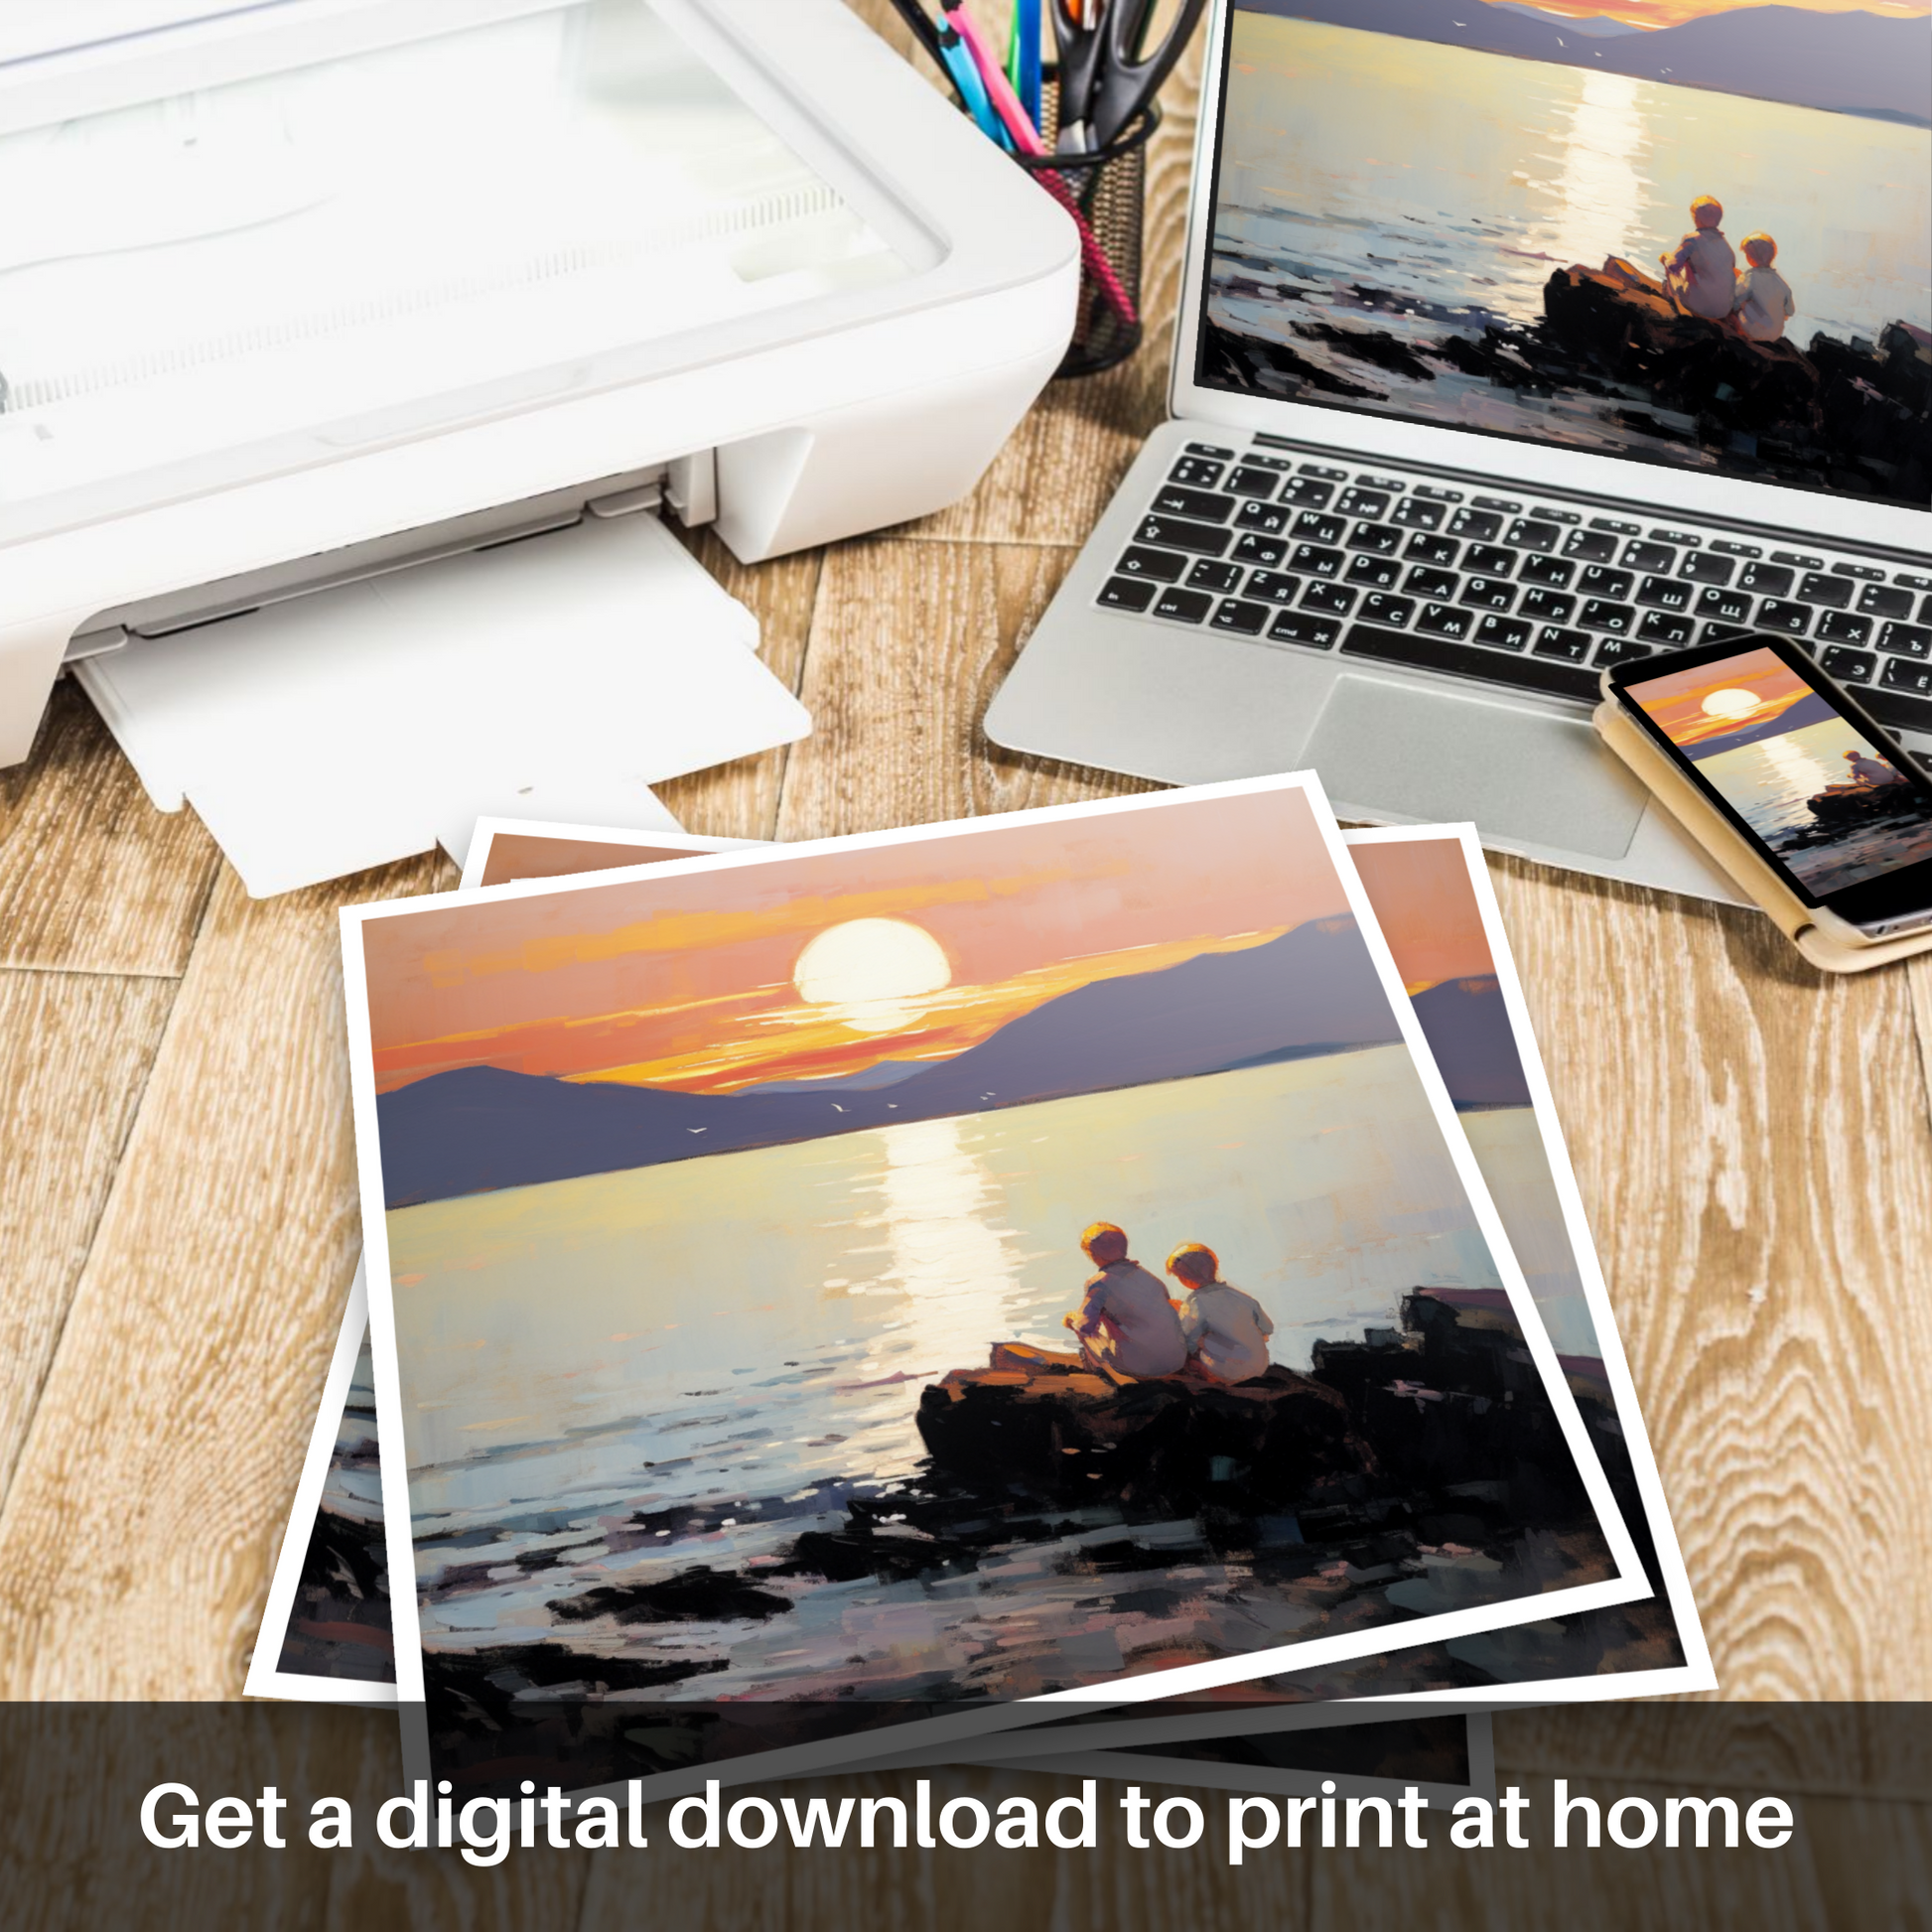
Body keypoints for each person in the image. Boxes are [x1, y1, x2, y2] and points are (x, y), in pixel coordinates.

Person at [1062, 1222, 1187, 1380]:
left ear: (1092, 1254)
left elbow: (1085, 1326)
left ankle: (1106, 1374)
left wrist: (1071, 1321)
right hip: (1176, 1360)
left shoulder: (1099, 1283)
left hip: (1140, 1366)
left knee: (1077, 1321)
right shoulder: (1149, 1278)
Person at [1167, 1243, 1275, 1386]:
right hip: (1259, 1366)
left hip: (1226, 1371)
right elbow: (1268, 1328)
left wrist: (1177, 1314)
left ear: (1184, 1278)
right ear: (1215, 1267)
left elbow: (1187, 1340)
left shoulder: (1195, 1302)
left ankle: (1211, 1378)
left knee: (1188, 1359)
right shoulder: (1241, 1297)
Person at [1661, 197, 1736, 323]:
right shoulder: (1725, 245)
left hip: (1699, 306)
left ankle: (1671, 298)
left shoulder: (1692, 239)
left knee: (1669, 260)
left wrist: (1664, 258)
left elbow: (1672, 266)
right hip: (1723, 310)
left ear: (1696, 218)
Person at [1731, 233, 1796, 344]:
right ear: (1773, 255)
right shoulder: (1780, 282)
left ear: (1750, 257)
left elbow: (1734, 302)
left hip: (1753, 331)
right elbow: (1790, 311)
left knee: (1739, 303)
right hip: (1775, 334)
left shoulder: (1750, 277)